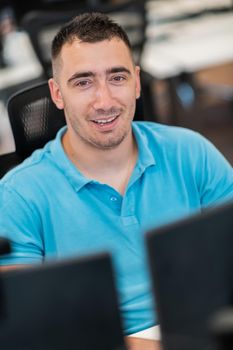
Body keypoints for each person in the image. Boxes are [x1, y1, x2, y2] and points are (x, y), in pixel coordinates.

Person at [0, 12, 233, 348]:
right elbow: (27, 330)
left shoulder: (189, 151)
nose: (104, 101)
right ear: (56, 93)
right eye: (83, 82)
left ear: (137, 83)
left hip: (204, 328)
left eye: (117, 78)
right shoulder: (18, 196)